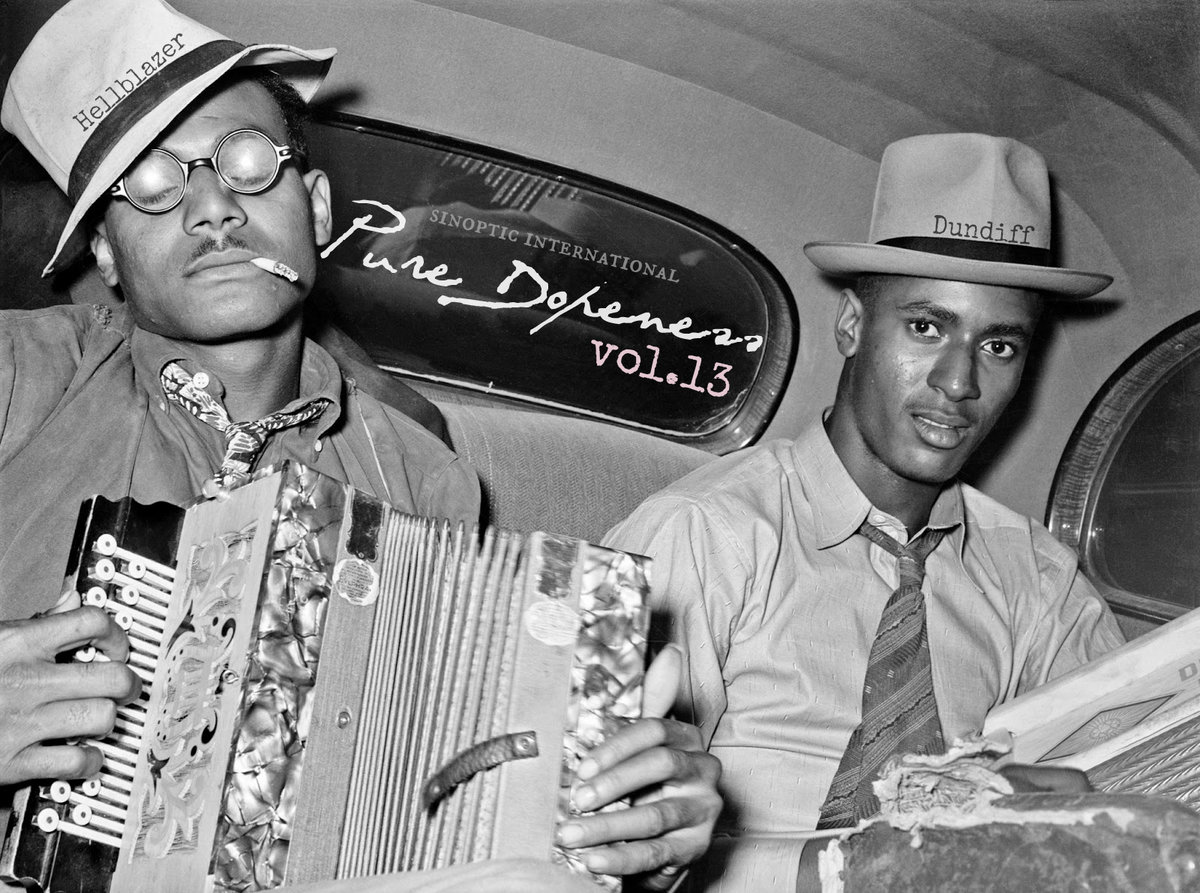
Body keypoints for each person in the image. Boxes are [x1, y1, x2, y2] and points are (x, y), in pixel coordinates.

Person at [0, 0, 719, 890]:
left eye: (247, 164)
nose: (213, 209)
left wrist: (626, 823)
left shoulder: (422, 474)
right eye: (151, 183)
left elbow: (447, 795)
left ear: (315, 208)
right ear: (106, 252)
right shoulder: (20, 376)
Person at [604, 132, 1127, 891]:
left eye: (1000, 347)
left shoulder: (1038, 581)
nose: (958, 382)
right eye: (926, 327)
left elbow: (1132, 786)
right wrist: (875, 865)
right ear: (851, 325)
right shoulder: (707, 533)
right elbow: (606, 839)